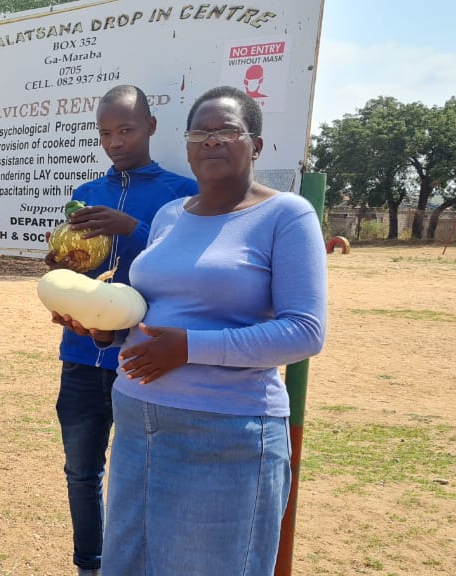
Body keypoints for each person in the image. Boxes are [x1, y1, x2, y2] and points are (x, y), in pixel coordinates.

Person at [96, 85, 327, 574]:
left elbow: (305, 332)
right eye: (201, 132)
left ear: (256, 145)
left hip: (226, 432)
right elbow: (157, 309)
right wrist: (107, 331)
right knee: (129, 563)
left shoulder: (285, 215)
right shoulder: (168, 215)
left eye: (227, 131)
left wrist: (189, 349)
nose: (212, 141)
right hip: (139, 420)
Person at [47, 84, 196, 576]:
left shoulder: (181, 193)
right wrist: (62, 273)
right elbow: (75, 270)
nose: (115, 142)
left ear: (152, 127)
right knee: (80, 473)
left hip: (145, 358)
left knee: (143, 475)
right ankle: (89, 566)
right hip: (81, 354)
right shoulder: (86, 194)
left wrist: (132, 227)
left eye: (126, 130)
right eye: (105, 133)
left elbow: (190, 264)